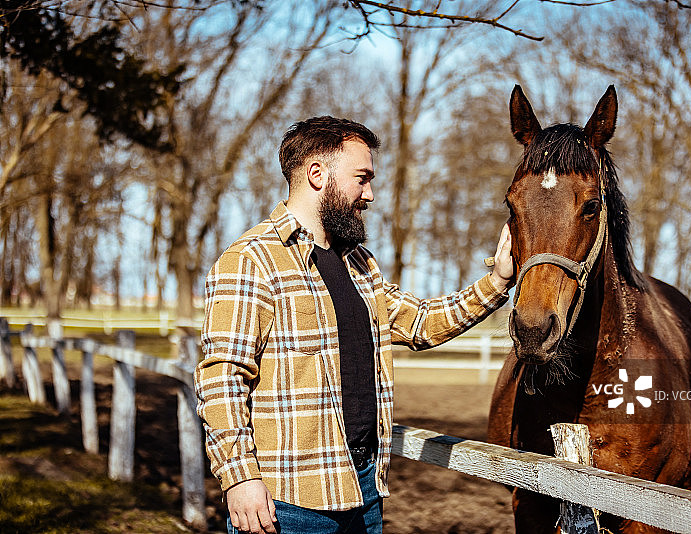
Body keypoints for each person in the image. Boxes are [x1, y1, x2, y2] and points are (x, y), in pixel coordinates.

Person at [195, 116, 514, 534]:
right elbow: (222, 380)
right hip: (285, 499)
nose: (370, 195)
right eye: (361, 179)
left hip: (364, 488)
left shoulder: (361, 264)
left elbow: (421, 321)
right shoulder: (251, 260)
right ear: (317, 174)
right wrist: (239, 478)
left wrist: (498, 281)